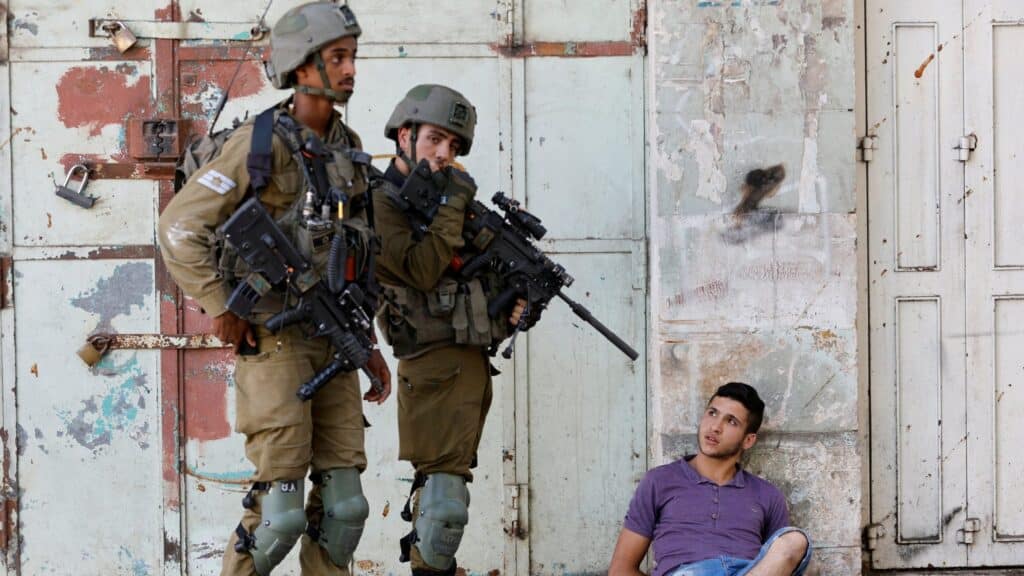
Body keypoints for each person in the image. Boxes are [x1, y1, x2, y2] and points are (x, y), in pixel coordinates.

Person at [157, 3, 390, 575]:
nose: (350, 69)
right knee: (280, 516)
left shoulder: (348, 146)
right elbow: (179, 227)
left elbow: (361, 253)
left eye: (352, 56)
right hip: (275, 343)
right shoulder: (260, 143)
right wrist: (218, 304)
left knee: (345, 509)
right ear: (301, 67)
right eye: (337, 57)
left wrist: (371, 346)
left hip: (335, 343)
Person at [371, 84, 525, 575]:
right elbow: (420, 269)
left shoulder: (442, 201)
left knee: (445, 499)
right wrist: (454, 202)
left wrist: (510, 308)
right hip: (431, 363)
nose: (445, 154)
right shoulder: (381, 203)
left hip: (468, 363)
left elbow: (471, 278)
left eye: (455, 147)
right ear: (403, 134)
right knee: (445, 508)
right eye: (436, 139)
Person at [608, 382, 812, 576]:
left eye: (731, 421)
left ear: (748, 440)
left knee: (794, 541)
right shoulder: (659, 481)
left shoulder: (767, 495)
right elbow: (620, 570)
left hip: (745, 571)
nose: (715, 427)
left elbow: (778, 566)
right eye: (712, 413)